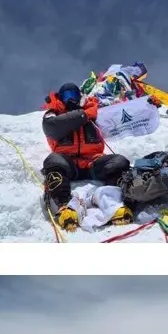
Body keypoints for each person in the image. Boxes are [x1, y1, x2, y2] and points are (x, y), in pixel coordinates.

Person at [41, 83, 134, 231]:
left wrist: (146, 108)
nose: (70, 99)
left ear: (80, 96)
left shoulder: (95, 110)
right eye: (66, 95)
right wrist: (85, 115)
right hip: (67, 163)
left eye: (74, 94)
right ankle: (64, 205)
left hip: (93, 162)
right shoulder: (53, 113)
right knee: (53, 160)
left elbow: (120, 114)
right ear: (60, 98)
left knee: (119, 162)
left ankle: (123, 200)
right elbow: (51, 126)